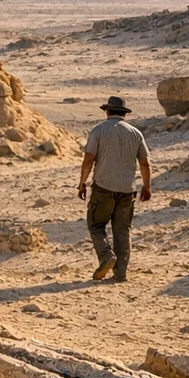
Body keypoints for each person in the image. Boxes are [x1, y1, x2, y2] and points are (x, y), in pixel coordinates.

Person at [78, 95, 152, 282]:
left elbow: (88, 159)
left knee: (95, 225)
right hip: (128, 189)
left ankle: (105, 256)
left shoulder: (99, 130)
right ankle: (120, 273)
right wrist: (147, 186)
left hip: (103, 187)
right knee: (122, 230)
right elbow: (144, 162)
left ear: (107, 111)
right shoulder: (136, 133)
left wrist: (82, 182)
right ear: (124, 114)